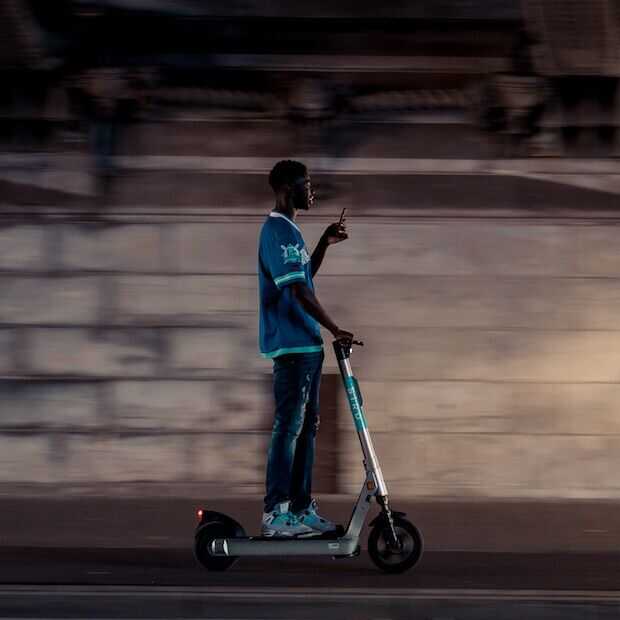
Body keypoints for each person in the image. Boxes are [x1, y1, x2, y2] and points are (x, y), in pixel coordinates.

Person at [258, 159, 353, 538]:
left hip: (308, 346)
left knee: (306, 428)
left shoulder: (292, 232)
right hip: (292, 347)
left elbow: (302, 279)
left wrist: (322, 244)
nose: (312, 190)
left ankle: (299, 508)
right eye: (306, 183)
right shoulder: (276, 232)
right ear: (286, 189)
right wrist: (334, 326)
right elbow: (295, 290)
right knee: (288, 427)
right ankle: (275, 513)